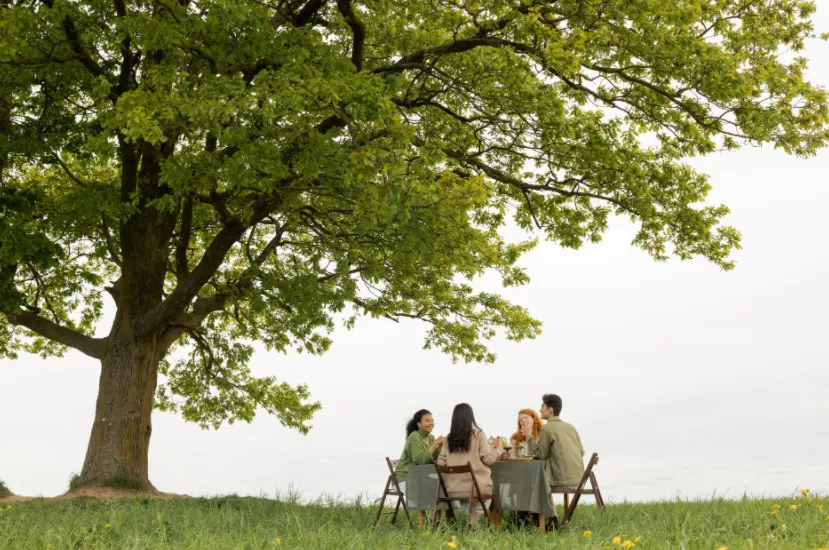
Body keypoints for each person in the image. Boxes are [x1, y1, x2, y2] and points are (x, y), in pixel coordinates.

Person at [436, 403, 502, 522]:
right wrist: (499, 450)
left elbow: (440, 463)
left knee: (470, 499)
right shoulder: (478, 435)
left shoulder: (449, 438)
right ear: (470, 417)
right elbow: (488, 459)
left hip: (454, 489)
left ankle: (469, 522)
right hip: (476, 488)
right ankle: (473, 524)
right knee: (484, 498)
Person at [526, 394, 585, 489]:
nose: (540, 410)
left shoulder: (546, 429)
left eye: (542, 407)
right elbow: (581, 452)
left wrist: (529, 436)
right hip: (579, 481)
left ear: (550, 410)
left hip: (562, 483)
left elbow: (541, 456)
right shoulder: (571, 428)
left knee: (529, 480)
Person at [394, 409, 444, 491]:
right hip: (405, 479)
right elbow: (420, 461)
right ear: (418, 423)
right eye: (427, 421)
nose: (431, 423)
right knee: (436, 491)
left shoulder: (430, 437)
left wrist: (440, 448)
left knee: (443, 487)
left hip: (421, 478)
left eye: (432, 421)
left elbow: (433, 460)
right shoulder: (414, 436)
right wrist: (435, 444)